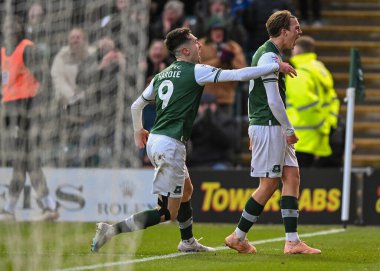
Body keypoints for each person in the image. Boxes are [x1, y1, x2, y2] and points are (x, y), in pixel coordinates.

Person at [90, 27, 296, 253]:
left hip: (157, 140)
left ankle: (187, 242)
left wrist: (139, 130)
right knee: (166, 212)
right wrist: (276, 66)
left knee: (186, 190)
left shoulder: (161, 75)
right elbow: (237, 74)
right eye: (196, 42)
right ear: (186, 50)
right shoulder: (196, 71)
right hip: (170, 145)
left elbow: (135, 105)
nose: (200, 46)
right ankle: (111, 230)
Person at [224, 10, 321, 255]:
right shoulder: (268, 56)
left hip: (268, 125)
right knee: (268, 184)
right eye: (296, 27)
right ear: (284, 31)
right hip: (270, 125)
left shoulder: (270, 55)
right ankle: (238, 236)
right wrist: (288, 130)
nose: (299, 32)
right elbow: (273, 100)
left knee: (292, 176)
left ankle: (292, 241)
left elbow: (252, 94)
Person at [0, 17, 59, 221]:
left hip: (26, 110)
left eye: (13, 26)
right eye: (7, 26)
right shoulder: (3, 53)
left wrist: (39, 107)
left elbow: (45, 77)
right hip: (10, 112)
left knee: (22, 160)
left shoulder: (26, 49)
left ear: (20, 29)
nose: (9, 29)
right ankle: (49, 206)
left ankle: (9, 209)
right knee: (26, 161)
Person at [286, 35, 340, 167]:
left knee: (294, 183)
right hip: (317, 138)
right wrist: (327, 126)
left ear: (297, 50)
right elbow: (333, 100)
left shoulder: (298, 73)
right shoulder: (321, 70)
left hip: (300, 139)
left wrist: (321, 125)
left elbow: (306, 106)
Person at [199, 16, 247, 116]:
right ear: (209, 31)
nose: (218, 33)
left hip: (226, 97)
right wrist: (219, 60)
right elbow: (197, 69)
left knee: (225, 129)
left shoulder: (233, 47)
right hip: (204, 98)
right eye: (215, 30)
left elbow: (243, 70)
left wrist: (231, 60)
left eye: (221, 30)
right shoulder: (200, 45)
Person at [187, 93, 239, 169]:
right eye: (202, 105)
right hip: (195, 163)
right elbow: (185, 138)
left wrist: (211, 122)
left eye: (210, 105)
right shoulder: (191, 121)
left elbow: (229, 142)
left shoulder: (226, 121)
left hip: (218, 162)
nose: (206, 108)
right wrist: (199, 121)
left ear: (216, 105)